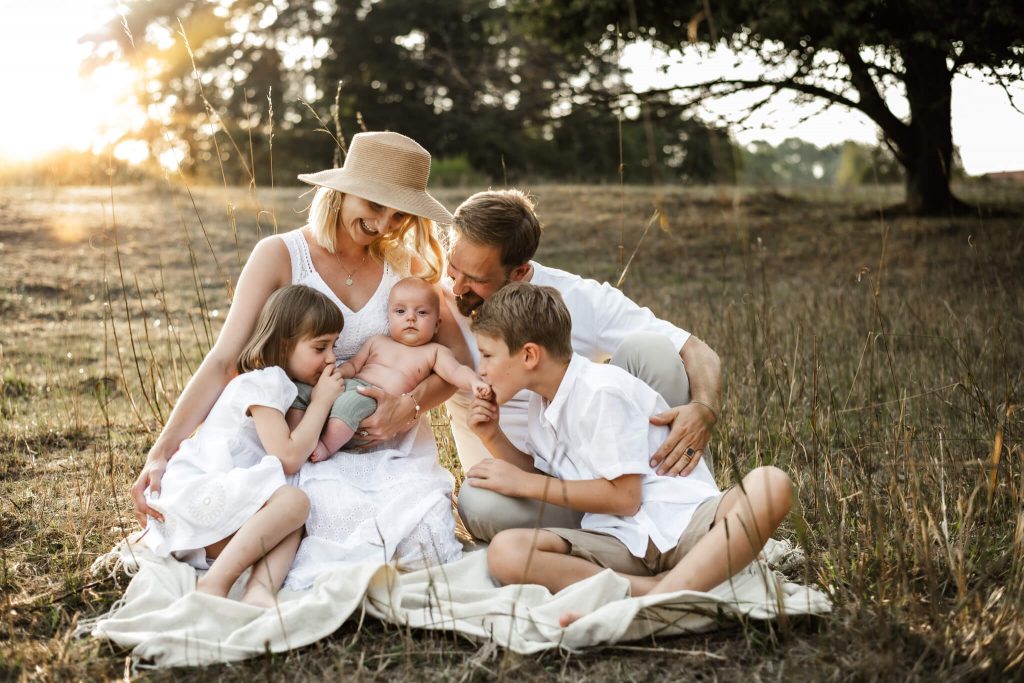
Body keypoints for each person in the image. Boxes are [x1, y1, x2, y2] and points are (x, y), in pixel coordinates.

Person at [129, 131, 465, 587]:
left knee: (417, 537)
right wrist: (161, 451)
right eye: (375, 205)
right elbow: (225, 361)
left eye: (399, 213)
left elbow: (451, 362)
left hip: (383, 441)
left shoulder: (406, 269)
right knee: (307, 521)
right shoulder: (281, 255)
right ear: (342, 191)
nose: (385, 223)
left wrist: (412, 406)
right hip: (293, 435)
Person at [465, 284, 793, 626]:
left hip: (681, 523)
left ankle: (654, 600)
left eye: (487, 355)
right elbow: (549, 480)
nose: (482, 368)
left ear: (530, 355)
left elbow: (625, 498)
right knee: (505, 552)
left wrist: (523, 484)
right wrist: (493, 436)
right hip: (618, 540)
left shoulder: (601, 392)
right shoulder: (540, 409)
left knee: (772, 484)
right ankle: (661, 589)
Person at [443, 189, 724, 541]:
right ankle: (618, 535)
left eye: (475, 279)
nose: (456, 286)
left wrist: (704, 408)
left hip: (615, 471)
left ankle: (701, 515)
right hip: (526, 481)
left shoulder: (575, 299)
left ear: (519, 272)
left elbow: (695, 349)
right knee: (478, 503)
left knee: (651, 350)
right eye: (452, 266)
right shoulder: (435, 302)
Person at [140, 285, 346, 607]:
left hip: (217, 519)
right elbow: (288, 456)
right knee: (294, 502)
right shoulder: (265, 381)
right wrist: (321, 401)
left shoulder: (278, 385)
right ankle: (214, 583)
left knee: (295, 517)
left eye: (335, 346)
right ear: (284, 344)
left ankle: (260, 590)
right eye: (320, 347)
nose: (332, 357)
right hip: (201, 503)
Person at [288, 277, 491, 459]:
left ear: (437, 325)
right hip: (352, 386)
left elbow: (456, 372)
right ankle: (296, 439)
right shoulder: (377, 341)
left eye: (421, 312)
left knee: (349, 404)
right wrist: (336, 375)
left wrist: (474, 382)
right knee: (302, 391)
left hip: (375, 402)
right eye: (401, 311)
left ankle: (325, 446)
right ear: (389, 317)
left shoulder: (434, 352)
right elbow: (353, 365)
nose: (410, 318)